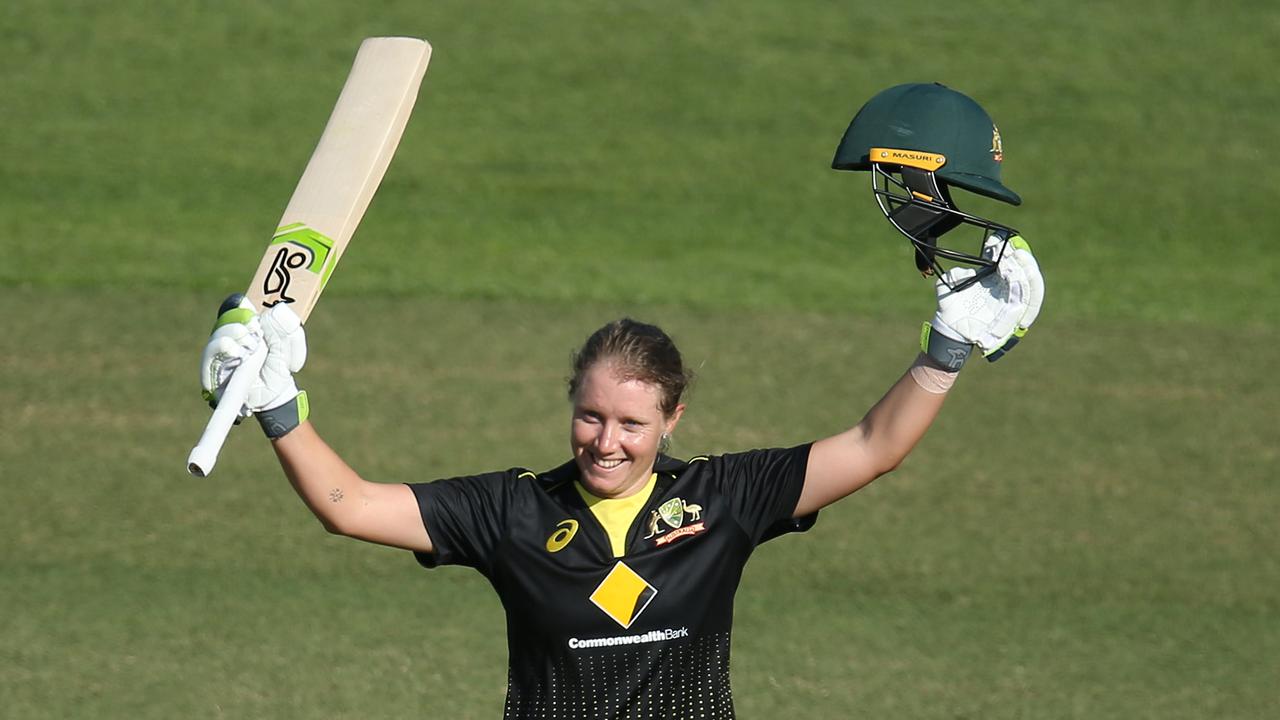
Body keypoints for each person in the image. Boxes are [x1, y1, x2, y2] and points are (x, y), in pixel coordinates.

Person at [198, 82, 1043, 719]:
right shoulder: (512, 512)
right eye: (593, 416)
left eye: (632, 423)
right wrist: (278, 405)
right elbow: (350, 507)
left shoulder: (724, 500)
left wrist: (946, 353)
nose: (608, 442)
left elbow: (873, 446)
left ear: (672, 420)